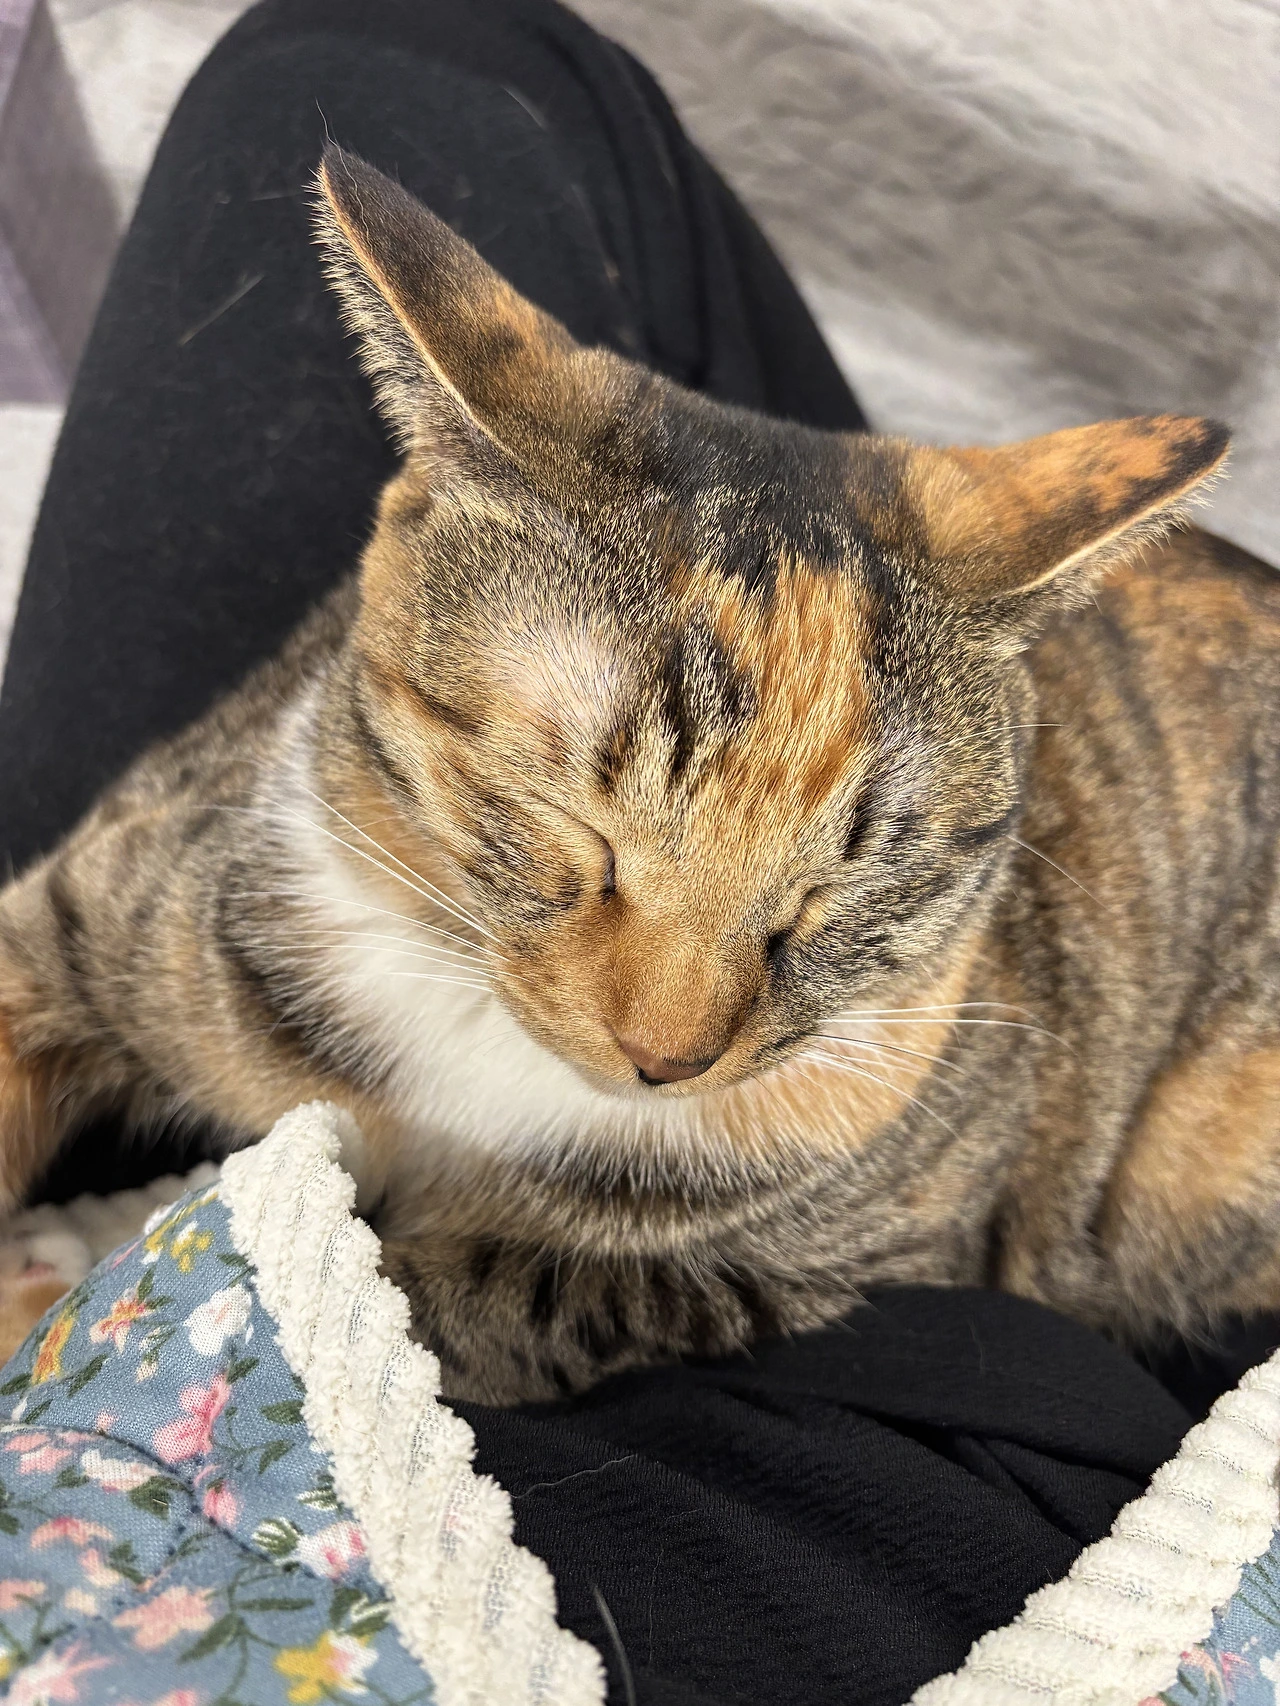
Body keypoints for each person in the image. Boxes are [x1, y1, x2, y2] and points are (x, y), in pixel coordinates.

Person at [0, 3, 1218, 1699]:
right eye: (583, 844)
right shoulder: (229, 900)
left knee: (355, 53)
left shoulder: (835, 1083)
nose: (679, 1031)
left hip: (1191, 1099)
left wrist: (421, 1305)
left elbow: (880, 1237)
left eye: (810, 912)